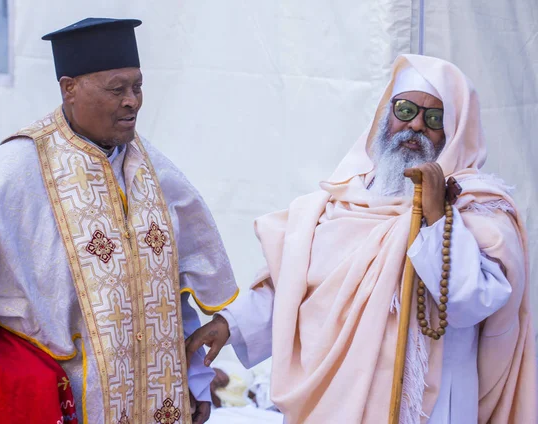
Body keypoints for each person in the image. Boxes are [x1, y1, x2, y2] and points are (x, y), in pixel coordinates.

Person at [186, 55, 536, 423]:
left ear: (454, 130)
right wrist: (232, 323)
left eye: (434, 118)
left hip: (428, 406)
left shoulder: (478, 208)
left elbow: (469, 303)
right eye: (405, 110)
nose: (415, 125)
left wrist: (435, 216)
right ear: (386, 116)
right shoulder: (343, 201)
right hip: (337, 398)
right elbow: (297, 285)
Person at [0, 17, 238, 424]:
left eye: (138, 86)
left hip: (157, 405)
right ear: (69, 88)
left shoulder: (154, 170)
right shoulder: (16, 172)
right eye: (117, 89)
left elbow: (171, 290)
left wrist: (196, 379)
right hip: (65, 404)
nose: (133, 101)